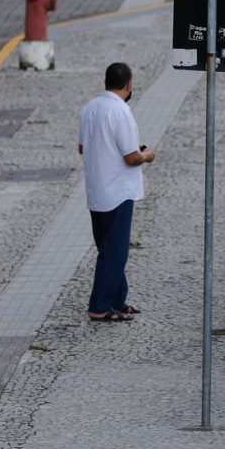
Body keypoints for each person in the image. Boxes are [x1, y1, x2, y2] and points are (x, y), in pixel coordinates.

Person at [78, 62, 156, 322]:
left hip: (96, 189)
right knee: (116, 251)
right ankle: (99, 306)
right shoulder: (120, 112)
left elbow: (82, 148)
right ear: (128, 84)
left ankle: (117, 300)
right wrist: (147, 155)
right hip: (118, 191)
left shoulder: (89, 108)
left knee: (108, 248)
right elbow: (131, 157)